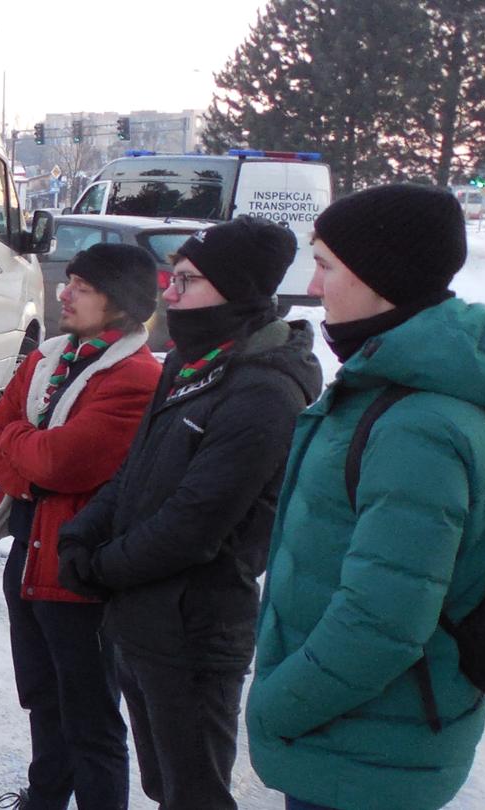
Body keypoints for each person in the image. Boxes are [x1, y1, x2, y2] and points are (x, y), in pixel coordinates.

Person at [248, 184, 485, 810]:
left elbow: (382, 622)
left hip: (366, 747)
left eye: (325, 266)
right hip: (367, 735)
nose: (314, 288)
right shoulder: (392, 390)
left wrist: (278, 705)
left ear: (382, 277)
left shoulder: (417, 423)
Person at [57, 216, 322, 810]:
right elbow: (135, 471)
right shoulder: (191, 364)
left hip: (195, 630)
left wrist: (98, 567)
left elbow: (194, 523)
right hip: (142, 619)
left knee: (195, 794)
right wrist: (82, 534)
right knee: (163, 786)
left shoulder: (263, 390)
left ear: (239, 291)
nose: (169, 295)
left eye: (186, 281)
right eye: (171, 279)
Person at [0, 244, 162, 810]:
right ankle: (45, 799)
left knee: (90, 714)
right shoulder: (49, 358)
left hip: (78, 567)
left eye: (81, 286)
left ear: (122, 303)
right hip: (29, 554)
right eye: (68, 281)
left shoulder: (135, 376)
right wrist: (33, 467)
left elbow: (65, 461)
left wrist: (28, 451)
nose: (63, 293)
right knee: (42, 698)